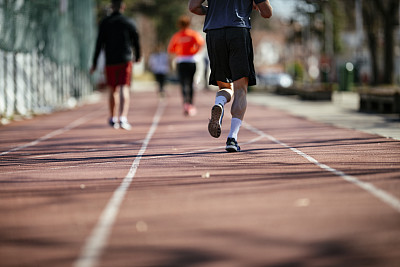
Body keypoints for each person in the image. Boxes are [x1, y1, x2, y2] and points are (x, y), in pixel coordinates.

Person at [189, 0, 273, 152]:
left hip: (214, 33)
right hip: (238, 32)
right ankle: (232, 139)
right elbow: (267, 13)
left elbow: (193, 7)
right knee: (240, 89)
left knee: (225, 86)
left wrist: (214, 11)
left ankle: (220, 103)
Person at [90, 0, 141, 130]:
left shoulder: (105, 22)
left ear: (112, 7)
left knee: (113, 89)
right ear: (123, 7)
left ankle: (113, 118)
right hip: (125, 59)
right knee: (124, 87)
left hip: (111, 60)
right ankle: (123, 118)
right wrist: (138, 55)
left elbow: (99, 43)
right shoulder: (128, 22)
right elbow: (136, 40)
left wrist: (94, 62)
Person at [168, 15, 205, 116]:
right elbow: (201, 43)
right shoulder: (193, 34)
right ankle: (191, 104)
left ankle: (185, 103)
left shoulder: (177, 36)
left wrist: (179, 51)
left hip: (181, 61)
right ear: (189, 24)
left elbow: (171, 49)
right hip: (192, 61)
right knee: (191, 83)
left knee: (183, 83)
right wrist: (194, 51)